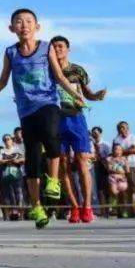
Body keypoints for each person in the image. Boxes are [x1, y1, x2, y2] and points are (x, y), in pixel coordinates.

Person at [0, 8, 85, 229]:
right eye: (19, 22)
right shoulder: (10, 53)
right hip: (26, 111)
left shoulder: (46, 48)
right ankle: (36, 207)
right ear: (12, 28)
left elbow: (59, 76)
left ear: (37, 27)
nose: (24, 25)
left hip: (48, 102)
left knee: (51, 135)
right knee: (33, 160)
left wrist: (75, 94)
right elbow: (2, 81)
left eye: (28, 21)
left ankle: (53, 181)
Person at [48, 36, 106, 224]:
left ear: (68, 49)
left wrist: (96, 96)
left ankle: (87, 206)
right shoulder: (47, 70)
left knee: (82, 162)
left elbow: (86, 93)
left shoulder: (77, 70)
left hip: (76, 118)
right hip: (56, 120)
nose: (57, 49)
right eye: (54, 46)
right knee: (63, 163)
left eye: (61, 46)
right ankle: (74, 207)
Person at [112, 121, 135, 217]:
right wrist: (129, 150)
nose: (122, 129)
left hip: (133, 166)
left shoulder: (133, 137)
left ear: (128, 128)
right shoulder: (116, 139)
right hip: (120, 168)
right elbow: (114, 153)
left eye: (124, 127)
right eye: (120, 128)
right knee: (124, 191)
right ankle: (127, 213)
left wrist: (121, 151)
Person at [106, 144, 130, 217]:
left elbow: (127, 170)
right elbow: (109, 169)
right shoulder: (109, 158)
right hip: (113, 178)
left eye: (120, 149)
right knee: (114, 192)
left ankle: (123, 211)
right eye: (116, 149)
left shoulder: (124, 159)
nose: (118, 151)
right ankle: (113, 210)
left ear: (122, 151)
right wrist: (119, 171)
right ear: (113, 150)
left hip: (122, 179)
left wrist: (125, 168)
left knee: (123, 194)